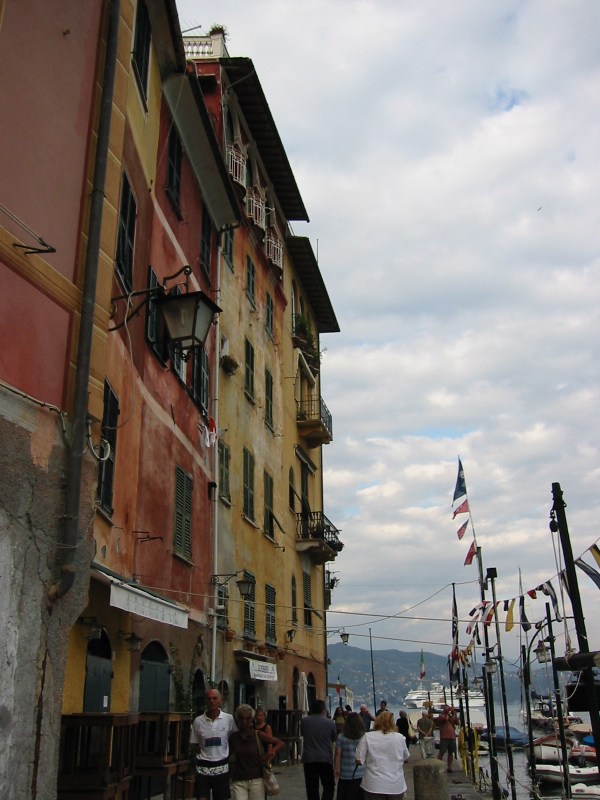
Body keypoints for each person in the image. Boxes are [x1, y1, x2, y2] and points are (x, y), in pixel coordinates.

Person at [229, 704, 284, 800]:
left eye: (247, 719)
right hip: (238, 780)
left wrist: (269, 753)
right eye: (241, 719)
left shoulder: (258, 735)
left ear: (251, 719)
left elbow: (280, 743)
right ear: (238, 720)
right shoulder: (233, 737)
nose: (244, 722)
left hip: (256, 779)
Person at [190, 688, 237, 800]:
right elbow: (194, 743)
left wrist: (228, 754)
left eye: (215, 698)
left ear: (220, 700)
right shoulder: (198, 721)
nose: (212, 701)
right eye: (209, 699)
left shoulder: (228, 719)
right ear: (205, 701)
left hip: (221, 767)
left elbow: (234, 738)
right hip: (203, 768)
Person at [355, 710, 410, 799]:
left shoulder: (367, 736)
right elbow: (406, 756)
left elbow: (359, 760)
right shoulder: (400, 738)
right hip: (395, 784)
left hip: (373, 784)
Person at [301, 698, 337, 800]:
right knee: (329, 785)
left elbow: (303, 733)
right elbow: (334, 738)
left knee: (311, 787)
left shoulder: (304, 721)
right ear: (323, 709)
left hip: (309, 758)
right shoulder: (330, 723)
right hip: (325, 758)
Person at [334, 712, 365, 800]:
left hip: (345, 772)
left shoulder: (341, 737)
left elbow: (337, 753)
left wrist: (336, 768)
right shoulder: (364, 736)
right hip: (361, 772)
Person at [436, 705, 459, 772]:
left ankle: (449, 767)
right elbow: (445, 719)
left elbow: (457, 722)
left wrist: (455, 715)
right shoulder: (442, 716)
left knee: (450, 752)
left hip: (452, 737)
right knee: (442, 752)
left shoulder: (451, 717)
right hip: (444, 737)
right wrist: (447, 712)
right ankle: (438, 766)